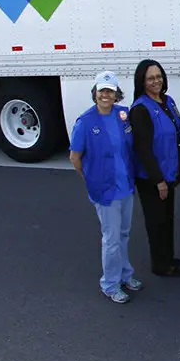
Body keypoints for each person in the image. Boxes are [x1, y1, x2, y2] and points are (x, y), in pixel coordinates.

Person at [69, 71, 142, 304]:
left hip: (126, 186)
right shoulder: (85, 122)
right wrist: (90, 179)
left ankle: (125, 275)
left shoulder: (123, 115)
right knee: (111, 239)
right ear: (95, 92)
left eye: (110, 91)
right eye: (102, 90)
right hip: (105, 191)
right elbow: (75, 157)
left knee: (124, 234)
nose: (105, 95)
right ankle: (110, 284)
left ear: (116, 94)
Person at [130, 60, 180, 277]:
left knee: (168, 218)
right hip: (152, 178)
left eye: (159, 76)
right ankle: (161, 265)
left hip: (169, 171)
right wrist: (159, 181)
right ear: (142, 82)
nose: (156, 81)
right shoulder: (141, 109)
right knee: (156, 222)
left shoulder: (168, 101)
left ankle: (168, 257)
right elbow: (143, 150)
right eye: (151, 78)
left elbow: (176, 136)